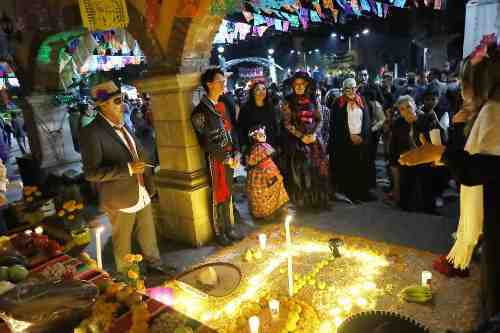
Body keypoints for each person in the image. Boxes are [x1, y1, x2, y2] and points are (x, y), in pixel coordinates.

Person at [399, 34, 500, 320]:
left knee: (494, 289)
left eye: (466, 82)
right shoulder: (485, 111)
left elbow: (482, 169)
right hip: (491, 214)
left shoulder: (494, 112)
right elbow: (472, 160)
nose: (462, 89)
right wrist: (442, 152)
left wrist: (440, 153)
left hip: (495, 216)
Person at [79, 81, 167, 275]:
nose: (123, 105)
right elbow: (91, 173)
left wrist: (149, 164)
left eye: (122, 100)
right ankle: (128, 278)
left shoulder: (123, 124)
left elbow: (137, 151)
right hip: (119, 197)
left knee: (147, 232)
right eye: (117, 101)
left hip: (140, 189)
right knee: (122, 241)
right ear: (103, 105)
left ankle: (155, 265)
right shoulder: (91, 132)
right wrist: (127, 169)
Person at [191, 68, 243, 246]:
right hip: (216, 160)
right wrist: (224, 157)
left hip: (230, 156)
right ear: (209, 84)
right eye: (220, 81)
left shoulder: (223, 105)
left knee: (228, 192)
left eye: (224, 81)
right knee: (218, 195)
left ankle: (229, 228)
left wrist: (236, 152)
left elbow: (232, 130)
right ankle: (220, 230)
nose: (223, 84)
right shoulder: (200, 112)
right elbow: (205, 142)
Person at [282, 71, 329, 210]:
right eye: (296, 84)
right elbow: (287, 123)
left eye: (302, 84)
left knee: (316, 171)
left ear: (307, 85)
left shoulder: (314, 99)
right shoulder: (288, 101)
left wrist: (314, 134)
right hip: (296, 143)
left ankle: (316, 201)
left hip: (314, 142)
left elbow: (320, 120)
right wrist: (301, 136)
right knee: (300, 172)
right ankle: (303, 202)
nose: (299, 86)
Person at [329, 78, 373, 203]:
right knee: (349, 169)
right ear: (343, 90)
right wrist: (349, 137)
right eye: (347, 88)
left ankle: (363, 192)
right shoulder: (338, 103)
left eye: (353, 88)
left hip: (361, 140)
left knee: (362, 167)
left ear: (356, 88)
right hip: (345, 142)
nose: (351, 91)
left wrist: (363, 137)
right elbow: (335, 125)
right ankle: (351, 194)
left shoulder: (362, 100)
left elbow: (367, 120)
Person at [389, 95, 434, 212]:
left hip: (426, 160)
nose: (407, 111)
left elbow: (437, 140)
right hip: (406, 161)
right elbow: (393, 148)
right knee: (405, 198)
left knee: (426, 192)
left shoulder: (427, 119)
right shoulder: (398, 123)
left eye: (409, 106)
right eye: (402, 109)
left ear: (414, 106)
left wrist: (416, 122)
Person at [245, 125, 289, 220]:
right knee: (263, 193)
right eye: (260, 135)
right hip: (263, 175)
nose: (264, 136)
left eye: (263, 134)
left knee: (276, 189)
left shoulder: (262, 147)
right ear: (253, 137)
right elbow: (252, 162)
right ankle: (267, 212)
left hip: (270, 173)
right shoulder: (258, 148)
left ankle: (275, 209)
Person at [238, 82, 281, 154]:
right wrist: (244, 146)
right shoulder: (245, 108)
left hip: (270, 146)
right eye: (258, 89)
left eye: (264, 89)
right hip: (253, 148)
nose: (261, 92)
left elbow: (275, 125)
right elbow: (241, 128)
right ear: (252, 92)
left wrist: (278, 143)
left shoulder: (270, 107)